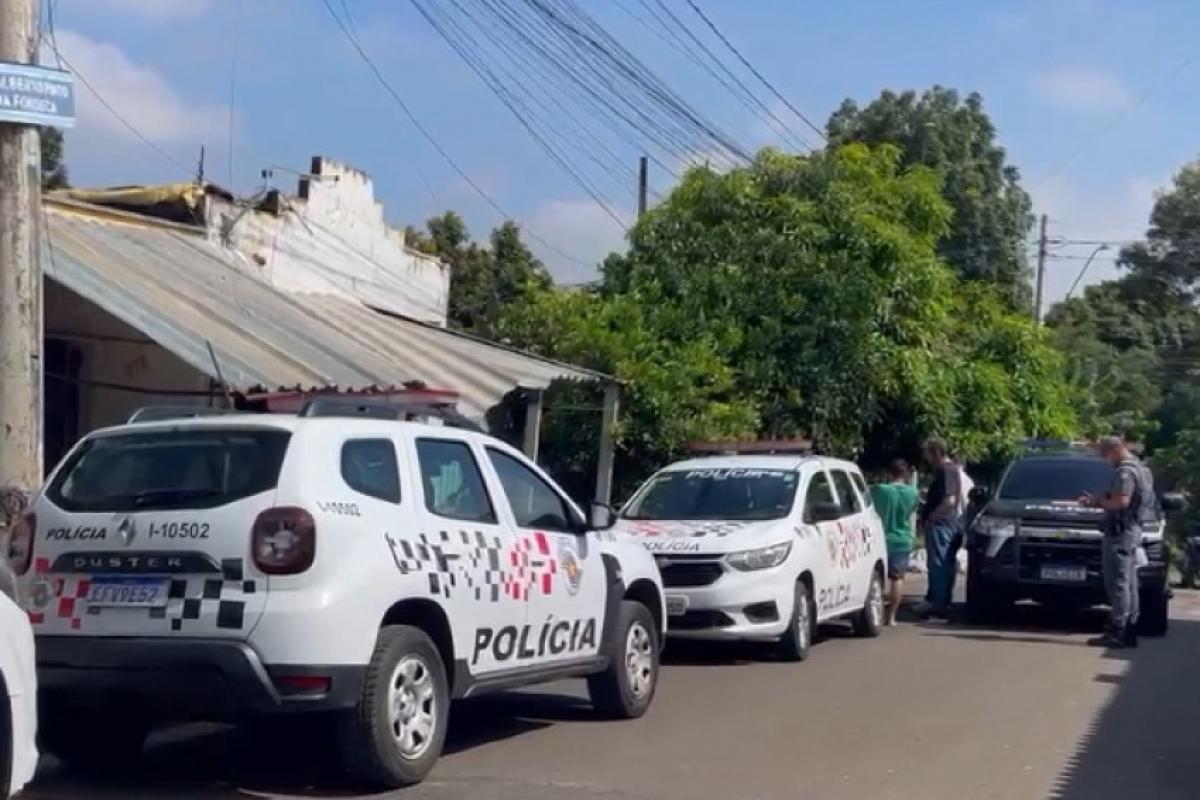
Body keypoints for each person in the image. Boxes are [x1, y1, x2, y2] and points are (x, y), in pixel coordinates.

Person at [1079, 436, 1150, 648]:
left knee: (1117, 582)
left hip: (1120, 531)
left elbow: (1121, 502)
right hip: (1132, 529)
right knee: (1129, 582)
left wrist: (1098, 502)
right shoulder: (1142, 468)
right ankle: (1130, 628)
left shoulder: (1124, 471)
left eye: (1105, 454)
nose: (1105, 459)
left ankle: (1118, 630)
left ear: (1115, 450)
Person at [870, 459, 920, 625]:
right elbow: (911, 510)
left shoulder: (880, 490)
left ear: (889, 473)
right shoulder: (913, 493)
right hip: (902, 538)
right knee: (897, 578)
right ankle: (891, 616)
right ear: (906, 474)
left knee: (876, 578)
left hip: (881, 538)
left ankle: (874, 613)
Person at [918, 438, 962, 619]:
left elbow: (949, 500)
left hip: (941, 524)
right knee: (944, 564)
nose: (926, 458)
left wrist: (931, 517)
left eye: (928, 454)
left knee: (939, 565)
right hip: (947, 523)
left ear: (936, 452)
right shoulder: (951, 470)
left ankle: (939, 606)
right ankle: (939, 602)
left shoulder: (946, 470)